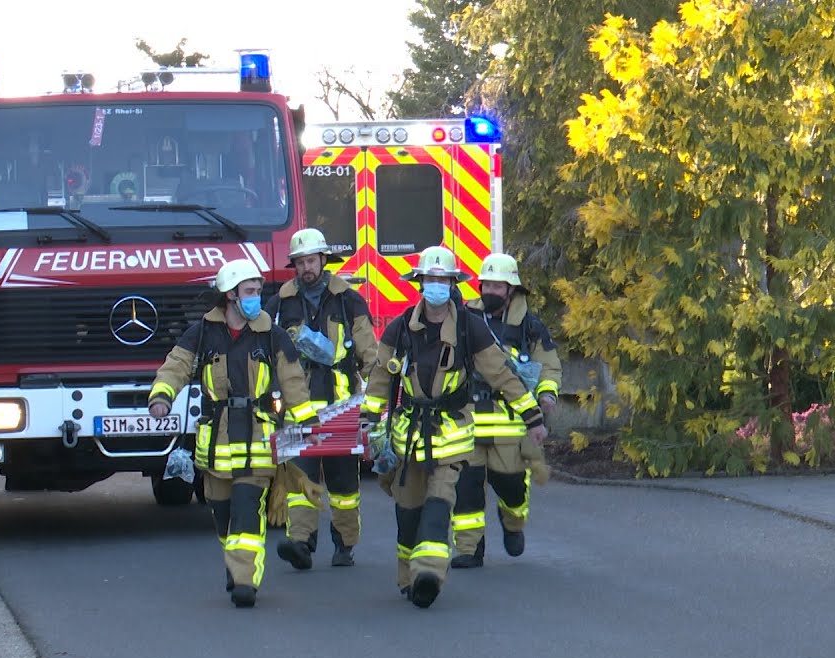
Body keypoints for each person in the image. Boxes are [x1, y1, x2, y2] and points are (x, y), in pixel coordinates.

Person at [360, 246, 546, 608]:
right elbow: (381, 379)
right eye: (430, 279)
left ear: (452, 283)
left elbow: (501, 373)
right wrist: (369, 422)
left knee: (439, 505)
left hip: (452, 438)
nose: (436, 286)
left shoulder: (468, 327)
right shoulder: (399, 329)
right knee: (408, 511)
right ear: (420, 283)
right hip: (410, 437)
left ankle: (428, 573)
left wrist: (532, 417)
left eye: (442, 280)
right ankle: (407, 575)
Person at [147, 258, 319, 608]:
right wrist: (162, 397)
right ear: (229, 295)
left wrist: (305, 421)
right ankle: (236, 562)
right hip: (217, 446)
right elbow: (176, 366)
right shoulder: (202, 333)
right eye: (250, 292)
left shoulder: (272, 335)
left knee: (245, 511)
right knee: (223, 516)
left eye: (258, 291)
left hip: (257, 441)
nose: (256, 297)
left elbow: (293, 380)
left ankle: (245, 581)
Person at [266, 228, 379, 569]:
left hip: (339, 409)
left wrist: (378, 395)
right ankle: (301, 544)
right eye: (299, 262)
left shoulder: (348, 300)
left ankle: (344, 544)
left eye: (311, 260)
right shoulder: (280, 303)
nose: (306, 268)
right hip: (297, 409)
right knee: (301, 482)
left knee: (344, 488)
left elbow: (368, 351)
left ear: (323, 260)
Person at [450, 252, 562, 568]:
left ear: (511, 290)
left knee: (512, 488)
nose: (490, 292)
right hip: (468, 419)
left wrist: (547, 397)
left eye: (498, 287)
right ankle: (469, 550)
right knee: (466, 488)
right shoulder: (464, 318)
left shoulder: (531, 327)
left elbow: (550, 367)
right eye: (486, 285)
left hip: (510, 423)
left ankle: (512, 523)